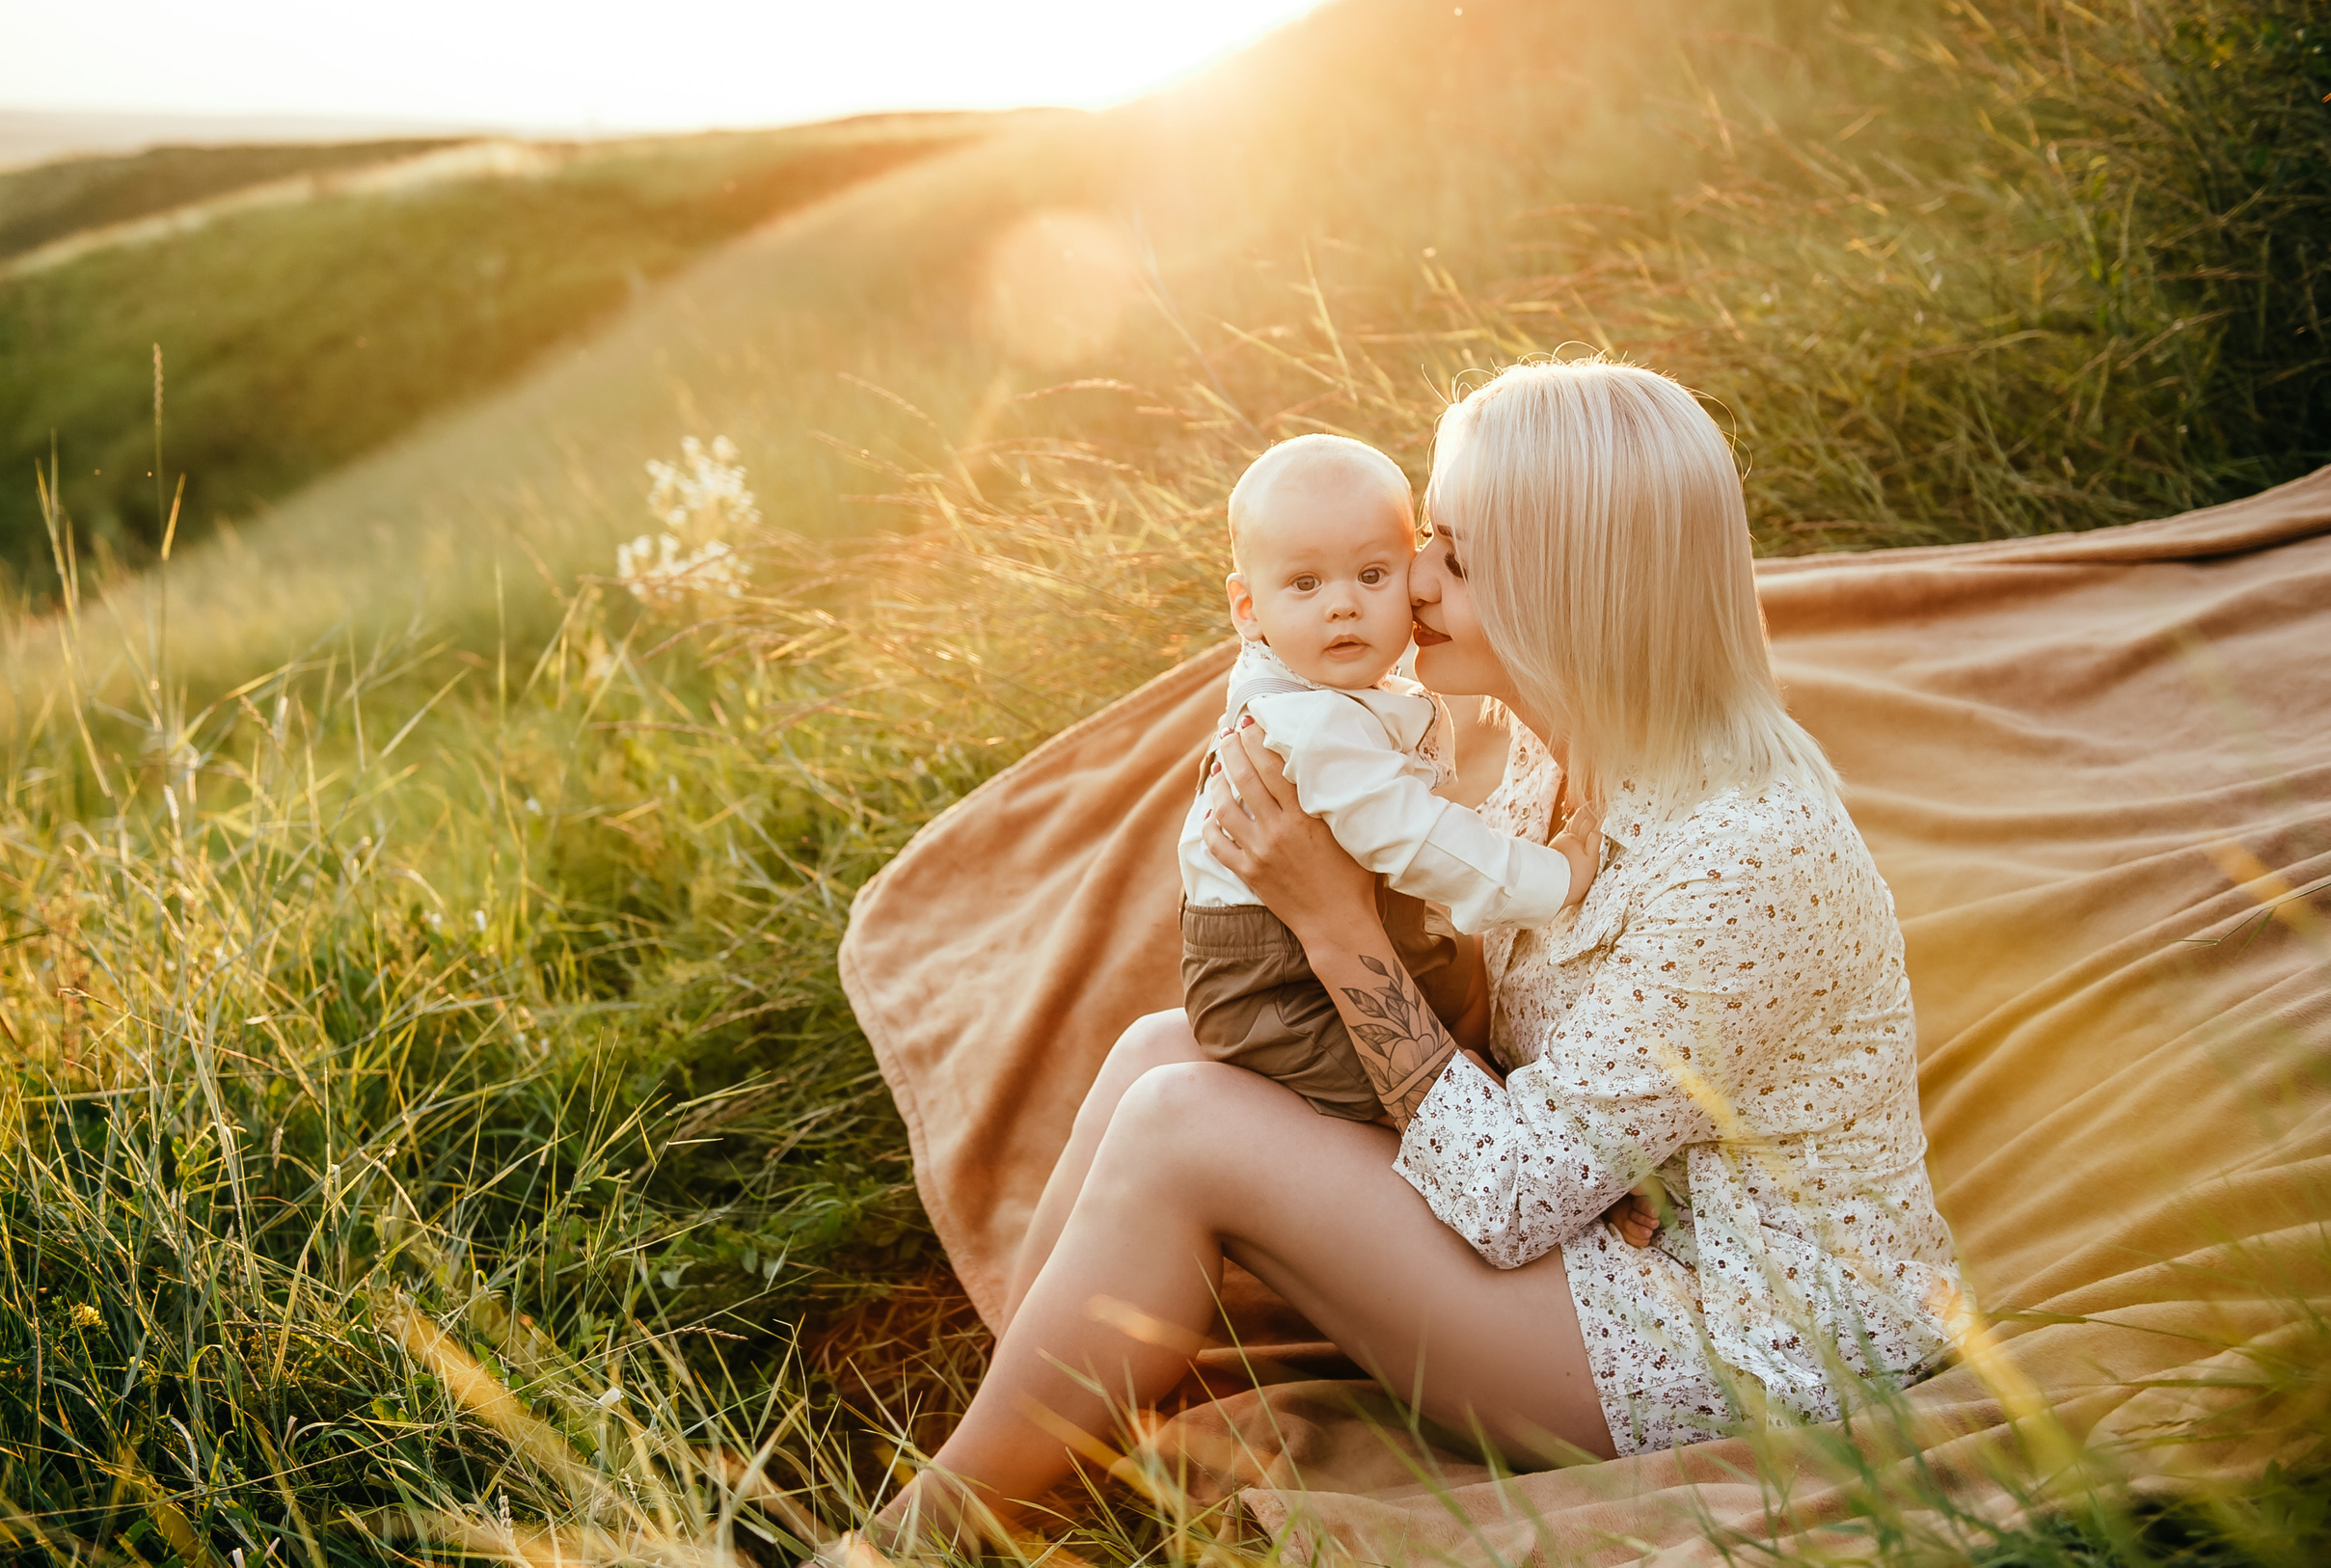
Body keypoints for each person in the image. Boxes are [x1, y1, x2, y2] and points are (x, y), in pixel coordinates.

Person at [836, 357, 1963, 1556]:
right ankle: (1040, 1398)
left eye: (1456, 560)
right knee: (1165, 1049)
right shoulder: (1564, 749)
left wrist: (1331, 922)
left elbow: (1512, 1199)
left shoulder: (1746, 853)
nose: (1410, 578)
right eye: (1431, 535)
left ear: (1568, 594)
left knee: (1181, 1127)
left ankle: (915, 1541)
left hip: (1736, 1343)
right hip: (1605, 1223)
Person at [1179, 432, 1600, 1126]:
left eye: (1373, 575)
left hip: (1365, 932)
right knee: (1428, 1091)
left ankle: (1516, 1106)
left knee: (1464, 1006)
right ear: (1248, 608)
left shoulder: (1338, 689)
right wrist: (1548, 879)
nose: (1342, 605)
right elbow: (1412, 838)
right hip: (1278, 989)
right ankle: (1549, 1166)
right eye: (1305, 584)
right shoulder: (1309, 721)